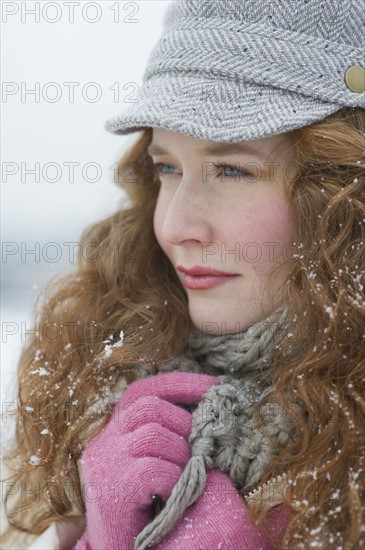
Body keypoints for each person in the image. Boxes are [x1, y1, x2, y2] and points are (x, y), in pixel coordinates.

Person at [2, 0, 365, 548]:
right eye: (167, 167)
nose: (175, 226)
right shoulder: (99, 385)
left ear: (344, 195)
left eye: (232, 169)